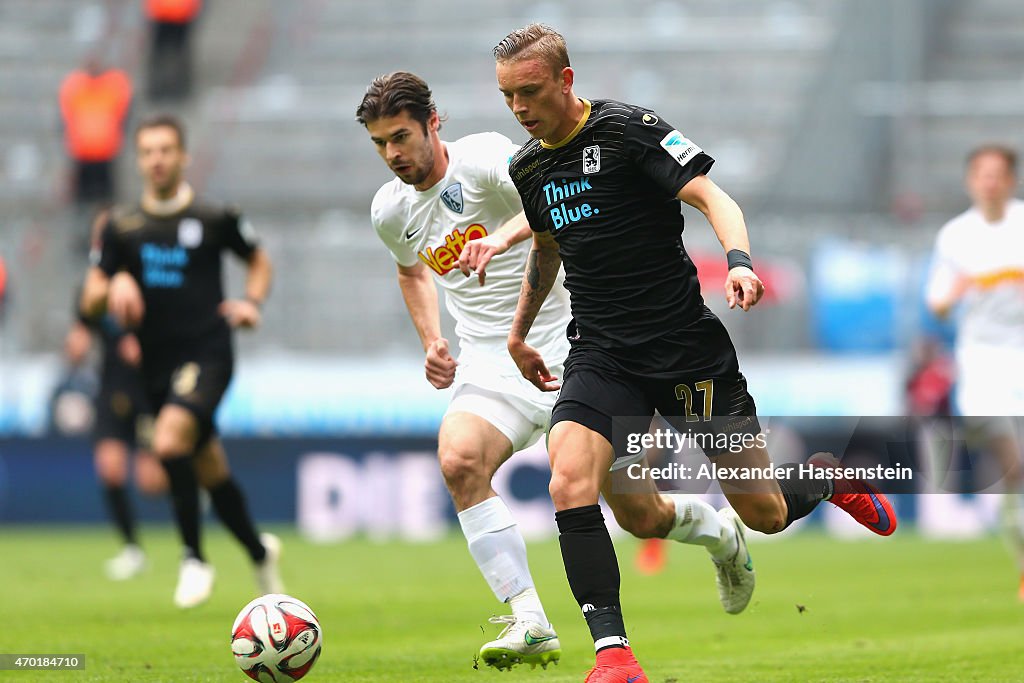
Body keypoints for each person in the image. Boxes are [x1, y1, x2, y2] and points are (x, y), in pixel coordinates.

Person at [493, 24, 898, 683]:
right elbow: (546, 247)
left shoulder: (632, 131)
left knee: (763, 512)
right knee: (590, 490)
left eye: (529, 92)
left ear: (566, 80)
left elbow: (713, 195)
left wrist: (739, 263)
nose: (519, 108)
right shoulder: (528, 165)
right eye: (508, 96)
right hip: (602, 356)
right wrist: (519, 329)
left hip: (685, 353)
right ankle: (614, 656)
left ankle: (824, 475)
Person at [356, 72, 757, 672]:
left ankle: (722, 536)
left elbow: (557, 216)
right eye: (380, 142)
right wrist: (432, 338)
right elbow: (411, 271)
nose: (393, 154)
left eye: (401, 136)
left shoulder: (492, 159)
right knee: (460, 460)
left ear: (433, 123)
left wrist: (496, 240)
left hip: (583, 345)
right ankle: (529, 620)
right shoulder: (390, 210)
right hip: (494, 364)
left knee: (638, 514)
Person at [80, 113, 281, 608]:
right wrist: (114, 285)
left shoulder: (215, 218)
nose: (157, 160)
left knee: (170, 440)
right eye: (148, 151)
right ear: (138, 159)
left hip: (208, 353)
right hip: (154, 366)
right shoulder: (121, 228)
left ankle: (193, 556)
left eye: (166, 150)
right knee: (208, 465)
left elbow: (258, 258)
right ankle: (259, 551)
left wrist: (251, 303)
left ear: (183, 156)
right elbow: (89, 300)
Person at [925, 144, 1024, 599]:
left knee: (1019, 471)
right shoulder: (956, 236)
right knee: (1014, 456)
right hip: (981, 360)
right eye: (981, 173)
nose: (989, 181)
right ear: (971, 180)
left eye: (997, 174)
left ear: (1011, 180)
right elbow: (938, 305)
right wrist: (955, 293)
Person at [66, 210, 167, 580]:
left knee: (152, 482)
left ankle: (191, 476)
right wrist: (76, 341)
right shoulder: (92, 286)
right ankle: (132, 549)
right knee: (109, 469)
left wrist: (145, 342)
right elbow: (82, 327)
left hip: (148, 387)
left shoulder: (149, 277)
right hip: (111, 386)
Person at [58, 58, 133, 208]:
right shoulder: (76, 86)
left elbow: (124, 115)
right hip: (83, 151)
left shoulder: (113, 85)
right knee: (85, 197)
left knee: (104, 196)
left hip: (105, 150)